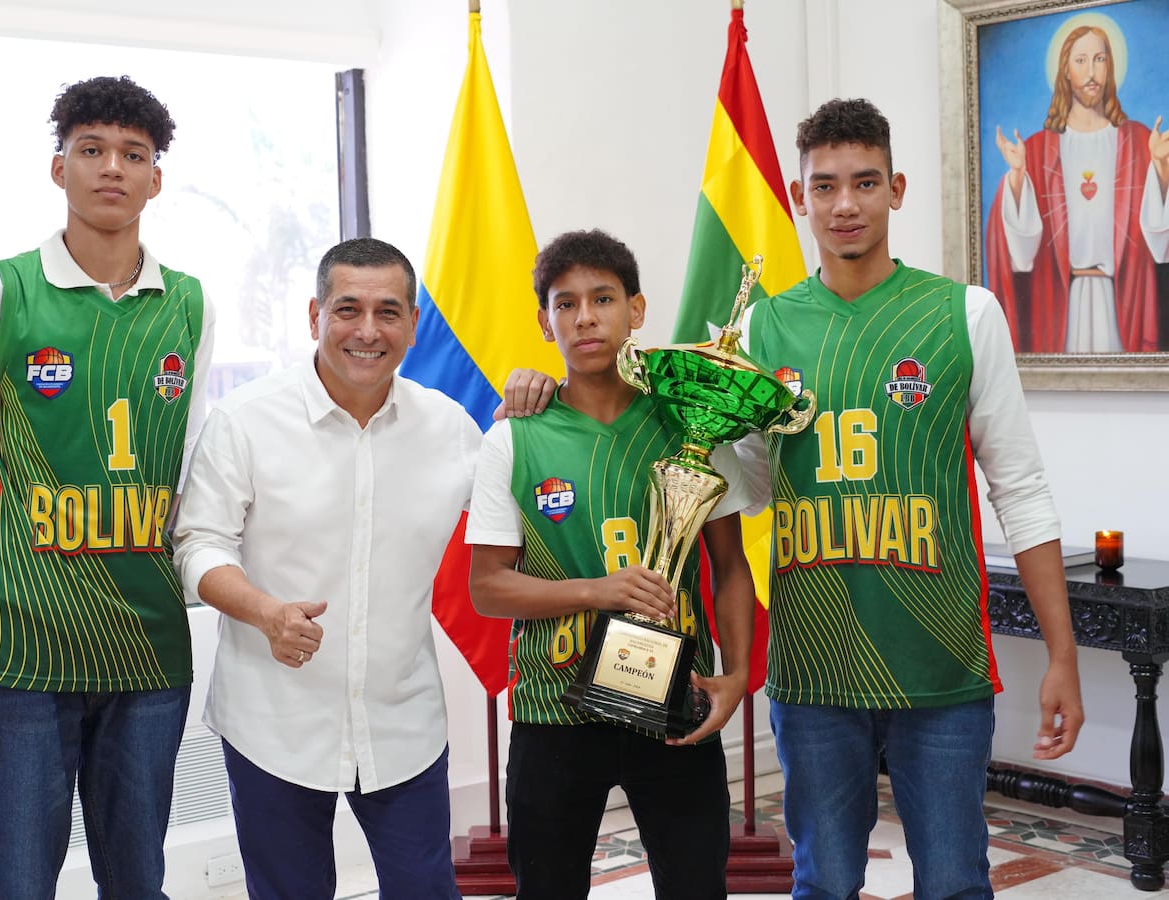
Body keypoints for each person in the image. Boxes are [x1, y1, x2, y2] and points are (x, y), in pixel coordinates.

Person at [738, 97, 1084, 898]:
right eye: (825, 186)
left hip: (941, 668)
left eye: (865, 182)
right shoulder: (760, 332)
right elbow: (748, 490)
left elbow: (1021, 491)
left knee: (955, 884)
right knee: (824, 884)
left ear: (896, 189)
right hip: (813, 668)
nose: (845, 204)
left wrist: (1062, 654)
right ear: (798, 198)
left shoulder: (965, 314)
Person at [0, 75, 215, 898]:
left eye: (133, 154)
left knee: (138, 882)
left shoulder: (189, 303)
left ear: (155, 179)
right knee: (17, 882)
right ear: (59, 167)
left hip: (148, 644)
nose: (113, 167)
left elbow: (192, 468)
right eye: (92, 149)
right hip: (21, 644)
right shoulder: (0, 288)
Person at [172, 237, 474, 900]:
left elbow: (515, 526)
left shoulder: (451, 429)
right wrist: (265, 612)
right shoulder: (246, 421)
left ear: (413, 323)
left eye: (388, 312)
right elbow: (198, 545)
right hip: (273, 723)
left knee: (427, 890)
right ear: (315, 316)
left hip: (403, 721)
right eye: (348, 309)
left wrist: (535, 406)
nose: (368, 331)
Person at [467, 228, 756, 900]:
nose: (585, 318)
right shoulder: (513, 438)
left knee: (695, 887)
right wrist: (597, 590)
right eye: (565, 304)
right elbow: (486, 588)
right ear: (545, 323)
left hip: (677, 697)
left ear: (637, 309)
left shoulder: (694, 425)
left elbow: (731, 567)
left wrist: (738, 674)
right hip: (553, 709)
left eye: (602, 298)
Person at [988, 23, 1169, 352]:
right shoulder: (1038, 151)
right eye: (1081, 60)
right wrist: (1017, 177)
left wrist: (1161, 168)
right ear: (1065, 71)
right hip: (1062, 306)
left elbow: (1159, 242)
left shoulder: (1139, 142)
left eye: (1099, 59)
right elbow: (1021, 253)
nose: (1091, 72)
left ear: (1110, 67)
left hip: (1124, 303)